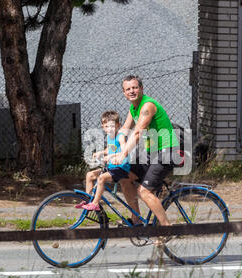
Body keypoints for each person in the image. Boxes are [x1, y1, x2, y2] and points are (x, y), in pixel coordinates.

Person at [106, 75, 181, 228]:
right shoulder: (133, 108)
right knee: (124, 176)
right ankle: (136, 219)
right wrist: (111, 150)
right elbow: (124, 130)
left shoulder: (147, 106)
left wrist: (123, 155)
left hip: (166, 151)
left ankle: (166, 228)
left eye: (135, 87)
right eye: (128, 89)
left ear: (141, 89)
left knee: (144, 191)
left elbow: (138, 132)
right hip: (152, 152)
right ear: (124, 93)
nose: (132, 91)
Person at [76, 110, 131, 211]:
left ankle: (95, 203)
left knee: (101, 178)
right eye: (106, 126)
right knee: (90, 175)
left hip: (121, 168)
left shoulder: (120, 136)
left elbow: (124, 151)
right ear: (103, 126)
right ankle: (88, 199)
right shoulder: (110, 137)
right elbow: (111, 149)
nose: (109, 129)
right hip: (111, 167)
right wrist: (101, 152)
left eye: (112, 126)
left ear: (118, 125)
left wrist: (111, 157)